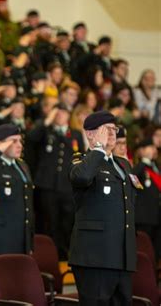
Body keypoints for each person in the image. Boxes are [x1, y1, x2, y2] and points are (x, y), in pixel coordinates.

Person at [69, 111, 139, 305]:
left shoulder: (122, 164)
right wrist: (98, 149)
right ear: (90, 134)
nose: (112, 133)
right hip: (95, 256)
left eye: (114, 129)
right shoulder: (81, 161)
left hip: (121, 255)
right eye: (106, 129)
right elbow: (81, 177)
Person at [27, 103, 84, 258]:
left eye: (63, 113)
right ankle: (48, 256)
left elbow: (81, 157)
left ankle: (64, 255)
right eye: (57, 113)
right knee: (49, 222)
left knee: (67, 222)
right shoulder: (45, 131)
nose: (60, 116)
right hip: (47, 185)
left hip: (67, 185)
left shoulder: (76, 134)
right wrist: (47, 120)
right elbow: (31, 138)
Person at [0, 124, 35, 254]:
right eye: (13, 141)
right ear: (0, 144)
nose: (19, 145)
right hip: (0, 238)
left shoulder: (22, 165)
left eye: (20, 141)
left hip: (22, 237)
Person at [132, 138, 160, 260]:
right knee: (145, 251)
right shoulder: (140, 167)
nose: (154, 150)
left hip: (156, 216)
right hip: (144, 217)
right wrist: (143, 161)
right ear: (142, 151)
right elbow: (132, 180)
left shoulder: (155, 166)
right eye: (150, 147)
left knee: (156, 252)